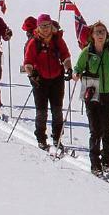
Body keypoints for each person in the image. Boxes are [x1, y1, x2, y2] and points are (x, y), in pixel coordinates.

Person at [73, 21, 109, 173]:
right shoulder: (87, 51)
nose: (100, 35)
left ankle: (107, 161)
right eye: (97, 32)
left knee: (108, 130)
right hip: (91, 89)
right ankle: (95, 163)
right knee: (95, 130)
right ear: (92, 35)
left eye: (102, 32)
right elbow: (77, 68)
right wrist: (76, 74)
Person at [21, 15, 73, 152]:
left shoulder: (57, 40)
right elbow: (28, 62)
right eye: (42, 26)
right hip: (40, 80)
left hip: (57, 78)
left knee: (57, 110)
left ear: (51, 26)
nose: (45, 28)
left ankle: (57, 137)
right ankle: (41, 138)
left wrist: (69, 68)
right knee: (41, 111)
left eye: (47, 25)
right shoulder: (34, 42)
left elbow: (65, 55)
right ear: (38, 27)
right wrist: (32, 74)